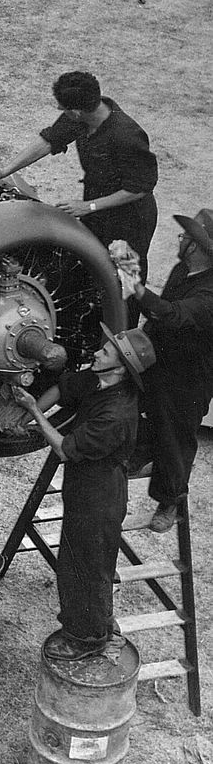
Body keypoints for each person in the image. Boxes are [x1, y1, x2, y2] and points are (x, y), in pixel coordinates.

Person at [11, 326, 155, 661]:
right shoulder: (100, 381)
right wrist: (22, 415)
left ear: (120, 369)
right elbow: (65, 387)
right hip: (85, 490)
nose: (96, 353)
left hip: (99, 498)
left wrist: (34, 412)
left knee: (84, 569)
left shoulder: (115, 415)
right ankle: (101, 623)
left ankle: (85, 639)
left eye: (105, 352)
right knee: (87, 563)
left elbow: (64, 449)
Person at [0, 71, 157, 282]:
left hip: (129, 220)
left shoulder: (127, 136)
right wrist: (5, 170)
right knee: (88, 268)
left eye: (63, 109)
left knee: (125, 280)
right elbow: (49, 140)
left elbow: (140, 188)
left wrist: (89, 206)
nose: (61, 112)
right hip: (96, 209)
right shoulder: (82, 117)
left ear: (76, 112)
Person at [127, 208, 213, 533]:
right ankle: (141, 452)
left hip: (191, 376)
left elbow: (173, 315)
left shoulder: (210, 293)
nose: (180, 240)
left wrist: (137, 288)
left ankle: (170, 500)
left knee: (177, 435)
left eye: (185, 237)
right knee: (138, 402)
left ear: (196, 247)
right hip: (163, 356)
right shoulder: (183, 270)